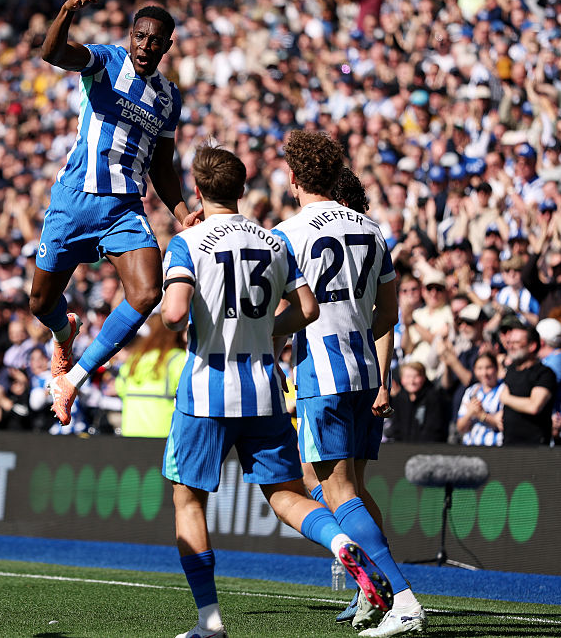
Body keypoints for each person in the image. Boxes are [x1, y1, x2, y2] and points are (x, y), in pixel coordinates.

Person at [161, 146, 391, 638]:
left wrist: (170, 304)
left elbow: (175, 313)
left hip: (206, 389)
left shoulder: (188, 243)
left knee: (189, 501)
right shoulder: (273, 242)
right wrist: (266, 326)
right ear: (243, 190)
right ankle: (340, 545)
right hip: (265, 386)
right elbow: (306, 310)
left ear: (198, 192)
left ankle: (210, 620)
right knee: (286, 495)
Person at [272, 131, 424, 637]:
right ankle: (374, 589)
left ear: (294, 178)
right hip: (364, 368)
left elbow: (281, 310)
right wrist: (372, 356)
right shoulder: (373, 230)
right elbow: (390, 312)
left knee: (333, 491)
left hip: (323, 370)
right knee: (350, 487)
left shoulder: (286, 233)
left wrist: (270, 354)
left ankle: (399, 597)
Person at [29, 0, 200, 426]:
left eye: (155, 40)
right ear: (131, 37)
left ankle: (74, 379)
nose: (146, 45)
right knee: (39, 302)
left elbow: (163, 166)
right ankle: (64, 333)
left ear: (167, 45)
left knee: (147, 292)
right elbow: (52, 53)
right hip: (74, 200)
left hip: (123, 207)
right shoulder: (106, 61)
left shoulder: (168, 98)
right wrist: (66, 9)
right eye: (139, 36)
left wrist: (183, 215)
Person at [115, 314, 186, 438]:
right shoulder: (178, 359)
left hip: (130, 435)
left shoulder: (133, 360)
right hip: (163, 436)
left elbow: (120, 388)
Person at [500, 322, 556, 446]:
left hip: (534, 447)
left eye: (516, 343)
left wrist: (507, 399)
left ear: (532, 346)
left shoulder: (544, 373)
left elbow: (534, 406)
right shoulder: (511, 371)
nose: (510, 347)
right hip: (509, 445)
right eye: (509, 343)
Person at [455, 352, 505, 446]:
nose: (484, 373)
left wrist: (481, 415)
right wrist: (469, 413)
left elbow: (501, 424)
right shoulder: (471, 391)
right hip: (471, 446)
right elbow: (460, 427)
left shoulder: (504, 390)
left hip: (494, 446)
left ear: (496, 368)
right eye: (480, 368)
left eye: (488, 367)